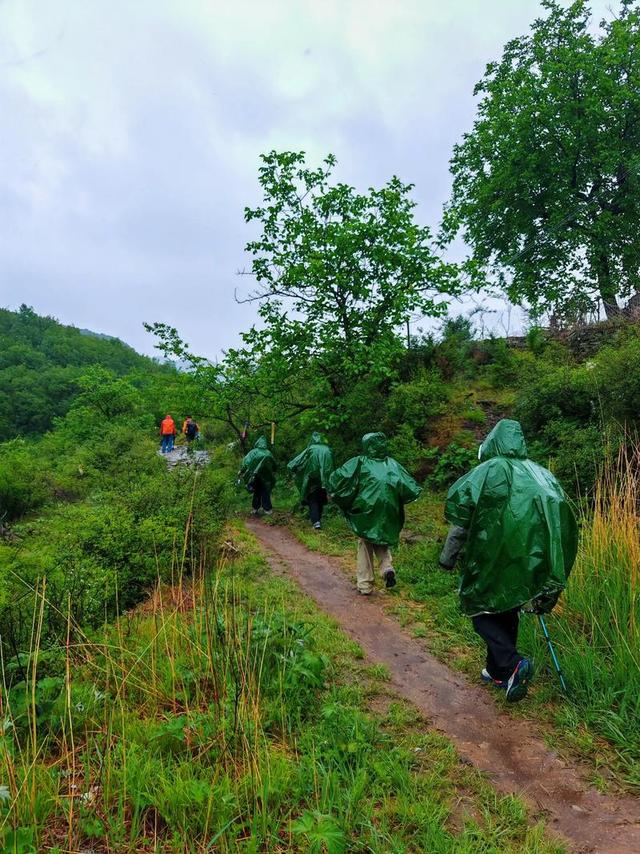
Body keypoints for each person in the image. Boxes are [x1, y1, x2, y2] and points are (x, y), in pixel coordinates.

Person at [439, 419, 577, 703]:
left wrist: (447, 558)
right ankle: (498, 671)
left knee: (480, 612)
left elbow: (463, 520)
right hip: (530, 560)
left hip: (492, 558)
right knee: (507, 609)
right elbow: (560, 521)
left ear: (492, 442)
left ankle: (513, 663)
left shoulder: (488, 471)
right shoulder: (542, 474)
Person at [329, 432, 421, 594]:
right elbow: (408, 486)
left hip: (367, 508)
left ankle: (365, 584)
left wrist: (338, 493)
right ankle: (387, 568)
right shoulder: (393, 464)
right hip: (389, 508)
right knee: (380, 537)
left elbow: (340, 478)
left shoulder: (360, 462)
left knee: (365, 541)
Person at [287, 431, 334, 530]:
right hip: (325, 478)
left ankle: (316, 522)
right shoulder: (328, 449)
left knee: (313, 500)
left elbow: (298, 461)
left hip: (313, 478)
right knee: (320, 499)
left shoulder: (311, 449)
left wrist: (293, 468)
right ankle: (318, 520)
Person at [239, 436, 277, 516]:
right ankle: (267, 509)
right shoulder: (268, 453)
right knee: (265, 491)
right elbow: (274, 464)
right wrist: (274, 471)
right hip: (266, 476)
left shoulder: (253, 452)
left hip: (255, 476)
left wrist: (241, 471)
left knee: (256, 491)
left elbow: (246, 463)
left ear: (257, 443)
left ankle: (255, 508)